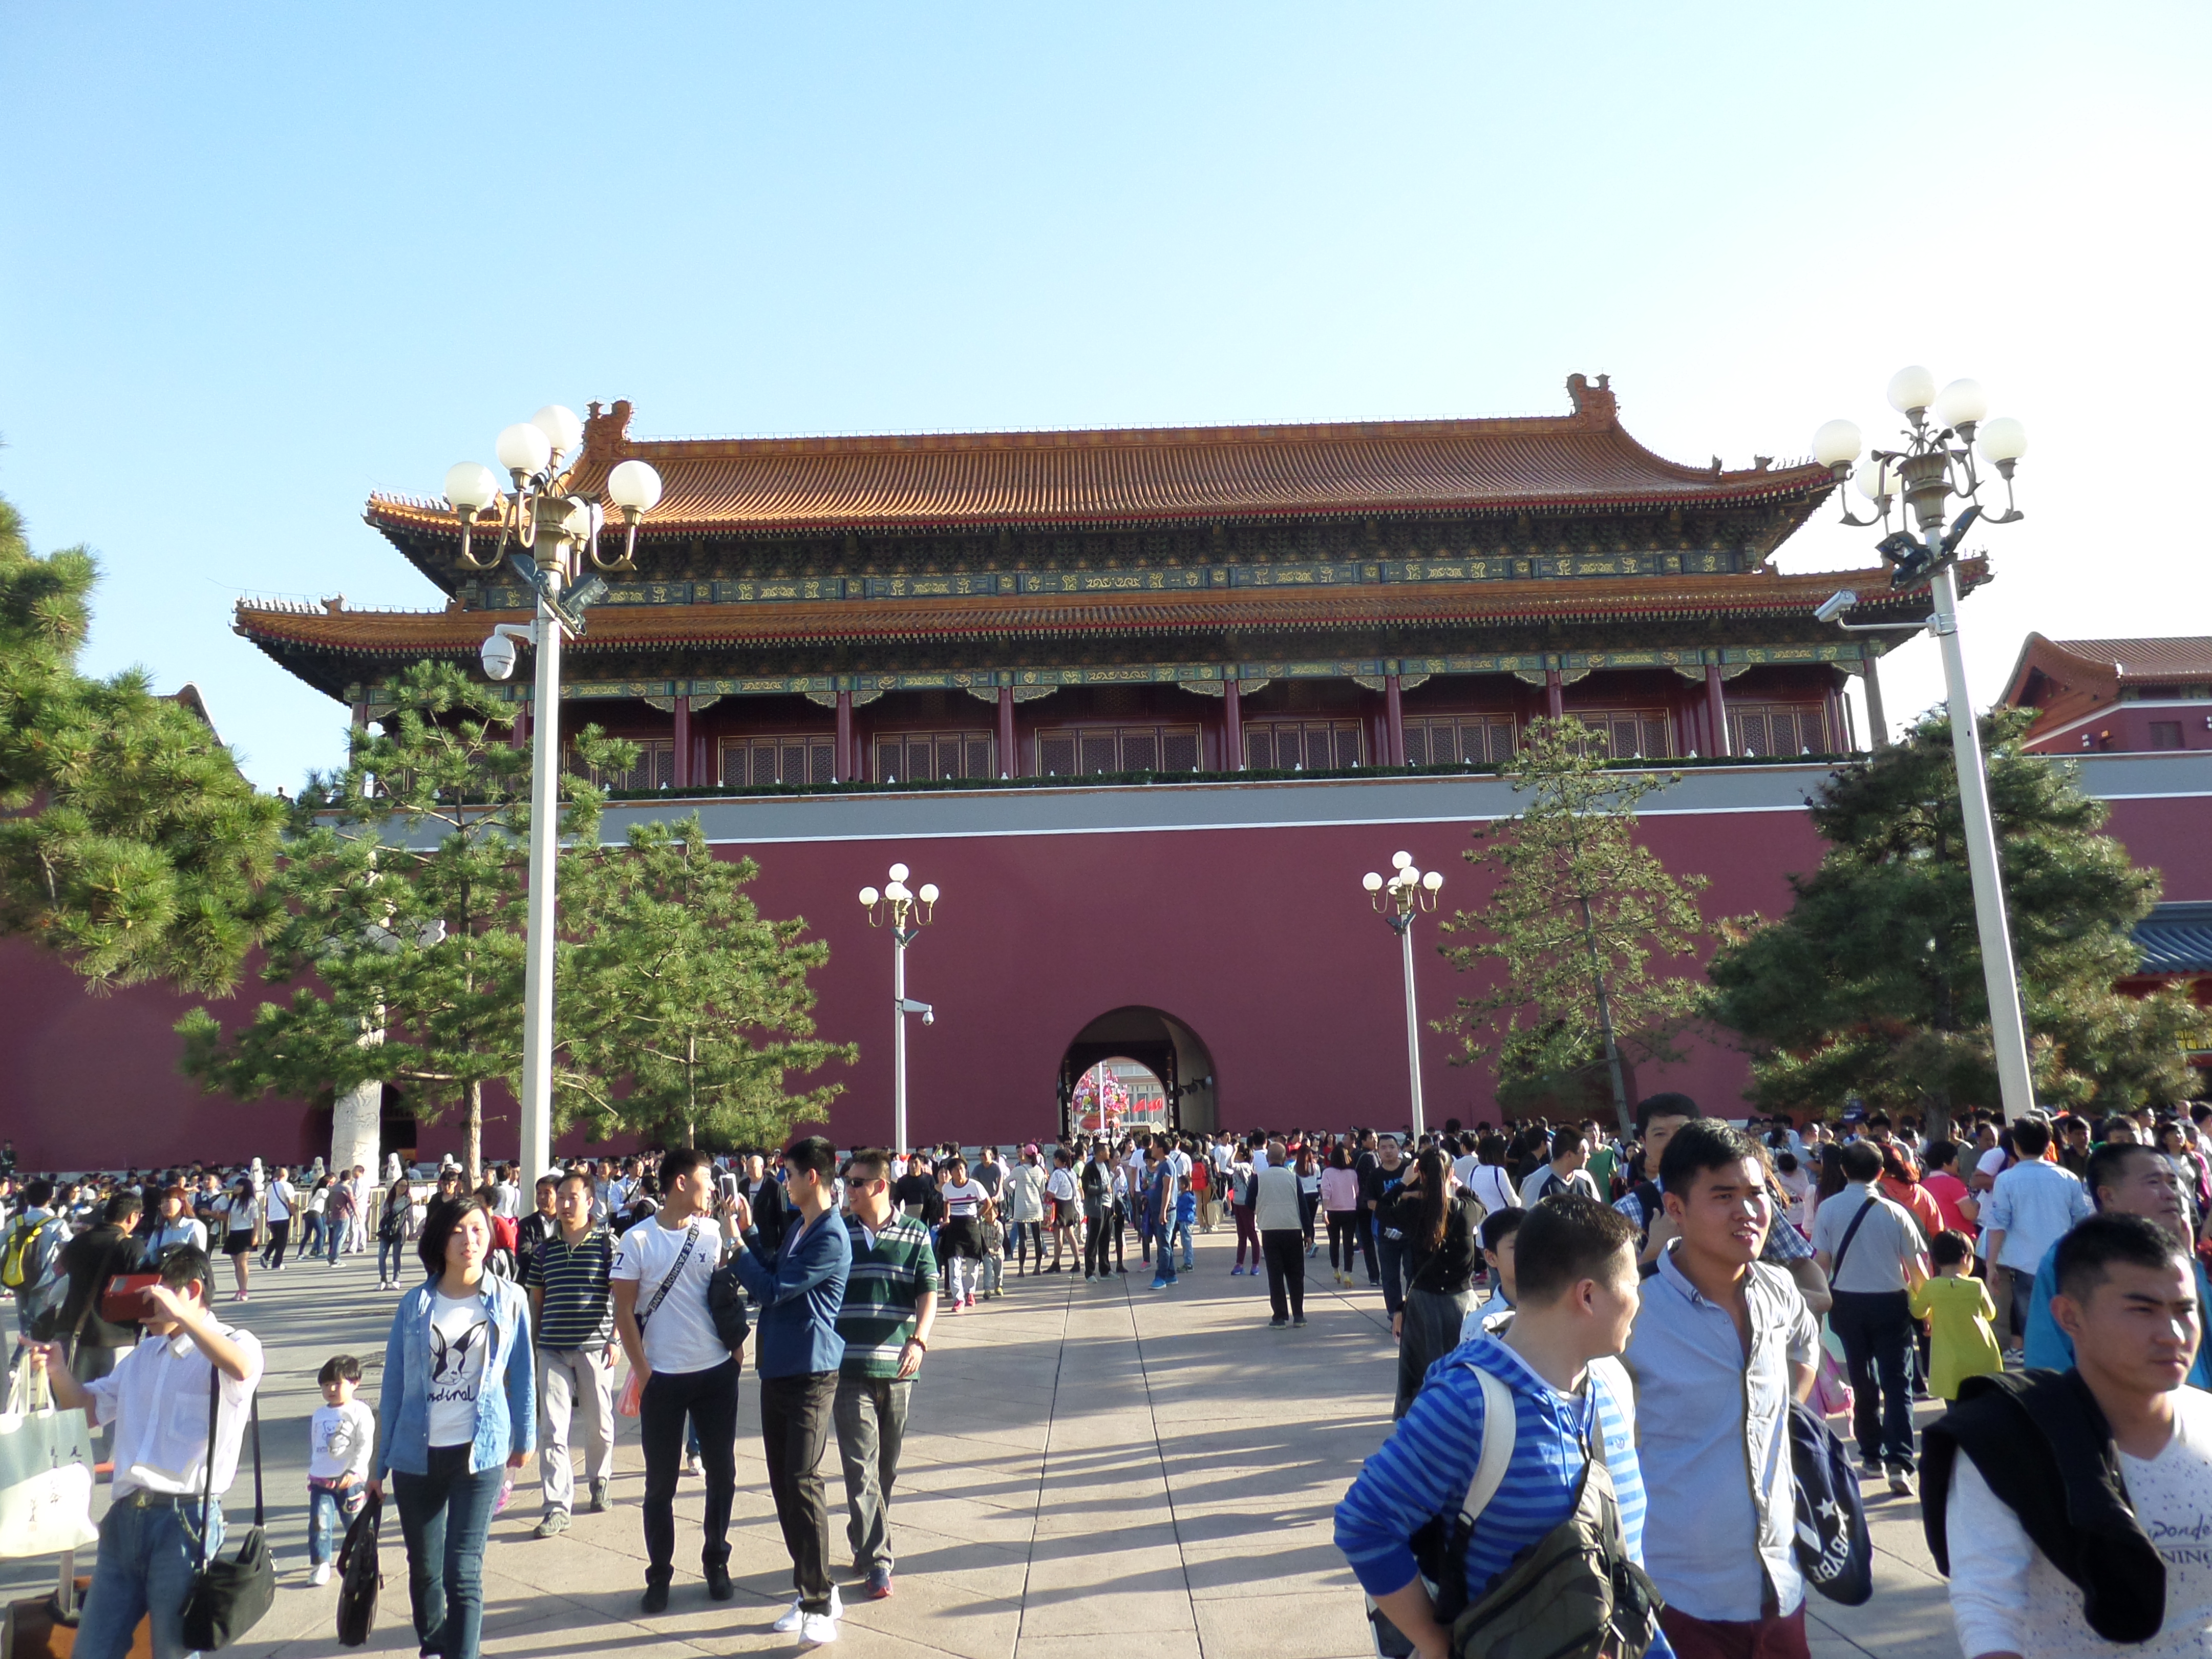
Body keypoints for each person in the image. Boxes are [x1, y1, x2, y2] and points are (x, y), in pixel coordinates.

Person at [1334, 1195, 1664, 1659]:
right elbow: (1365, 1523)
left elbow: (1624, 1559)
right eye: (1632, 1285)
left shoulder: (1610, 1383)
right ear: (1588, 1296)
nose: (1640, 1301)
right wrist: (1435, 1644)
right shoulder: (1466, 1402)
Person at [1925, 1213, 2212, 1659]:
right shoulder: (2010, 1440)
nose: (2172, 1334)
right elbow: (1987, 1606)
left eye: (2184, 1309)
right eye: (2143, 1310)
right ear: (2069, 1316)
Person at [1623, 1121, 1819, 1659]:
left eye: (1756, 1193)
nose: (1747, 1211)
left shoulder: (1778, 1288)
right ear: (1676, 1209)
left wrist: (1786, 1411)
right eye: (1723, 1196)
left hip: (1781, 1587)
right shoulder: (1635, 1315)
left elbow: (1806, 1346)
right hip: (1679, 1599)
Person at [26, 1245, 264, 1659]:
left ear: (192, 1290)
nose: (142, 1305)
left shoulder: (235, 1342)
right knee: (92, 1650)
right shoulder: (143, 1356)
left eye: (152, 1292)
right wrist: (58, 1372)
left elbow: (242, 1369)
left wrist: (184, 1317)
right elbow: (88, 1411)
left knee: (172, 1651)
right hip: (124, 1519)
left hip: (184, 1520)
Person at [369, 1195, 534, 1659]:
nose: (469, 1239)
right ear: (440, 1240)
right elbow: (394, 1385)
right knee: (425, 1570)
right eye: (458, 1230)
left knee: (463, 1572)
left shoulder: (509, 1298)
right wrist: (378, 1466)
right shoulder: (415, 1304)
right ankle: (435, 1644)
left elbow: (523, 1372)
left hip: (479, 1454)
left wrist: (525, 1436)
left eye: (478, 1229)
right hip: (416, 1456)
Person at [730, 1135, 854, 1646]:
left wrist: (735, 1248)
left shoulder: (830, 1236)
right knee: (784, 1484)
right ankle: (812, 1588)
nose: (784, 1182)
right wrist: (749, 1232)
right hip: (778, 1368)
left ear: (813, 1177)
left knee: (803, 1480)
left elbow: (773, 1290)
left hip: (811, 1372)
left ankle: (820, 1604)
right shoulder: (803, 1227)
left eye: (790, 1174)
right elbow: (775, 1270)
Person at [612, 1147, 745, 1612]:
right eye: (707, 1179)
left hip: (716, 1373)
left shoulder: (711, 1231)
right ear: (681, 1183)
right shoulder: (637, 1240)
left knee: (723, 1474)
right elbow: (623, 1311)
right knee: (660, 1485)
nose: (713, 1187)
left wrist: (735, 1350)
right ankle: (660, 1574)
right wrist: (644, 1371)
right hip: (663, 1379)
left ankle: (717, 1560)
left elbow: (727, 1289)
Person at [833, 1149, 939, 1601]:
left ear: (879, 1186)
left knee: (885, 1469)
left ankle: (863, 1537)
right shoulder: (838, 1233)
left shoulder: (915, 1233)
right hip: (847, 1368)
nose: (849, 1190)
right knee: (860, 1468)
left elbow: (928, 1291)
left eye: (857, 1183)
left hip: (898, 1367)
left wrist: (919, 1341)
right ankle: (879, 1561)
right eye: (847, 1183)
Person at [2021, 1139, 2212, 1389]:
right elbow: (2047, 1357)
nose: (2170, 1194)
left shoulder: (2182, 1255)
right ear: (2108, 1196)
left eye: (2172, 1183)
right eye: (2154, 1183)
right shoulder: (2074, 1257)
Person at [1812, 1138, 1931, 1494]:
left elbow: (1821, 1263)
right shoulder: (1895, 1212)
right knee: (1898, 1383)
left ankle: (1870, 1454)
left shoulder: (1829, 1209)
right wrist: (1927, 1310)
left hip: (1846, 1302)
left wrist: (1815, 1306)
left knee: (1862, 1380)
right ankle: (1900, 1461)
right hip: (1891, 1302)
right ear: (1881, 1172)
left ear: (1843, 1169)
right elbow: (1916, 1270)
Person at [525, 1169, 617, 1538]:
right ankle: (557, 1506)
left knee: (600, 1426)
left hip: (594, 1349)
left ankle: (599, 1478)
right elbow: (536, 1301)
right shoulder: (544, 1250)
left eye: (572, 1197)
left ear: (590, 1202)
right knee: (552, 1429)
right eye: (560, 1197)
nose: (564, 1204)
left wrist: (616, 1339)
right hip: (552, 1349)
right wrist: (532, 1347)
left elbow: (621, 1296)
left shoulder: (607, 1245)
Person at [1388, 1148, 1484, 1418]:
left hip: (1424, 1303)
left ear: (1421, 1176)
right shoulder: (1466, 1211)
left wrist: (1403, 1184)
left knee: (1423, 1370)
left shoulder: (1413, 1211)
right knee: (1464, 1369)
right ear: (1451, 1173)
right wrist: (1459, 1186)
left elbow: (1383, 1210)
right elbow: (1482, 1207)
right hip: (1461, 1302)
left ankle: (1425, 1420)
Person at [1983, 1118, 2093, 1351]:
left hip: (2024, 1267)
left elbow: (1998, 1223)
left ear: (2016, 1146)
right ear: (2048, 1143)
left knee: (2034, 1331)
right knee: (2068, 1328)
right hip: (2063, 1263)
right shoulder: (2068, 1177)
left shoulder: (2006, 1179)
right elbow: (2082, 1221)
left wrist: (1991, 1266)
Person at [55, 1192, 146, 1396]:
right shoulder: (131, 1246)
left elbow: (64, 1273)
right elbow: (142, 1288)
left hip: (74, 1330)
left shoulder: (78, 1241)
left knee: (75, 1402)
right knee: (114, 1403)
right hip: (115, 1336)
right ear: (132, 1216)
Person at [1909, 1231, 2004, 1402]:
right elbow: (1991, 1314)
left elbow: (1918, 1311)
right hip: (1982, 1357)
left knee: (1955, 1407)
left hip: (1949, 1362)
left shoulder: (1932, 1287)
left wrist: (1911, 1290)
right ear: (1965, 1258)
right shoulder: (1977, 1285)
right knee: (1983, 1405)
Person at [307, 1353, 375, 1586]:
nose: (331, 1389)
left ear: (355, 1383)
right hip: (322, 1482)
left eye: (337, 1383)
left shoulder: (360, 1411)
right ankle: (320, 1565)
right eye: (326, 1384)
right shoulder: (319, 1414)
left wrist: (355, 1472)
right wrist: (314, 1471)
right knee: (320, 1523)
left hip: (350, 1482)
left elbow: (365, 1444)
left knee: (356, 1524)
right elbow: (317, 1445)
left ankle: (364, 1560)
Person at [1254, 1137, 1307, 1329]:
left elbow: (1249, 1202)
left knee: (1275, 1275)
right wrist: (1309, 1234)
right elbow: (1303, 1207)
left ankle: (1279, 1316)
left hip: (1270, 1229)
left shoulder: (1258, 1178)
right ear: (1285, 1159)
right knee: (1296, 1274)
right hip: (1293, 1229)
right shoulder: (1293, 1178)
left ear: (1267, 1158)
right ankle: (1299, 1315)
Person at [936, 1155, 989, 1308]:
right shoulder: (947, 1188)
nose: (960, 1172)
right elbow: (946, 1202)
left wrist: (978, 1215)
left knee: (972, 1264)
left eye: (962, 1169)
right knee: (954, 1265)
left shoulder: (974, 1186)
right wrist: (947, 1218)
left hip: (971, 1226)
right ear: (951, 1173)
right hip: (954, 1228)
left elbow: (988, 1203)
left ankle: (970, 1292)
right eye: (956, 1170)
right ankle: (958, 1298)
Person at [1363, 1135, 1409, 1308]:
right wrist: (1389, 1208)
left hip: (1412, 1232)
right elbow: (1371, 1203)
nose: (1388, 1151)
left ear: (1399, 1149)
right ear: (1378, 1151)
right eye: (1383, 1148)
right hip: (1387, 1234)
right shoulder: (1375, 1176)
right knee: (1390, 1277)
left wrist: (1399, 1197)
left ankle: (1413, 1310)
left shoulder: (1409, 1170)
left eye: (1391, 1147)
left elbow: (1422, 1195)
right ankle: (1394, 1312)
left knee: (1413, 1274)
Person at [1519, 1127, 1600, 1208]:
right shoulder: (1537, 1182)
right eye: (1584, 1152)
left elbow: (1598, 1212)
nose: (1589, 1156)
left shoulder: (1586, 1179)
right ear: (1569, 1155)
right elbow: (1526, 1214)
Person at [1320, 1143, 1365, 1287]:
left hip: (1333, 1211)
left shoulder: (1327, 1172)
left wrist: (1324, 1211)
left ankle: (1336, 1270)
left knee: (1334, 1242)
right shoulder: (1353, 1173)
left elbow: (1326, 1192)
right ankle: (1348, 1274)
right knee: (1348, 1243)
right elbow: (1357, 1192)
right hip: (1350, 1210)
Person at [1006, 1146, 1047, 1275]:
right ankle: (1038, 1267)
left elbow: (1006, 1183)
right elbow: (1042, 1190)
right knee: (1037, 1238)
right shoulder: (1040, 1171)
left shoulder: (1018, 1170)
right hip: (1036, 1208)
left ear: (1026, 1155)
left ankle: (1021, 1269)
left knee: (1023, 1238)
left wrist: (1013, 1192)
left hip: (1021, 1208)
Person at [219, 1175, 259, 1301]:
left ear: (245, 1188)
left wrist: (255, 1235)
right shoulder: (232, 1201)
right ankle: (240, 1288)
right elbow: (226, 1217)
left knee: (242, 1263)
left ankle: (244, 1290)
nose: (236, 1188)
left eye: (239, 1186)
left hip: (246, 1233)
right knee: (236, 1264)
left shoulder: (251, 1201)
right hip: (234, 1233)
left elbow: (256, 1220)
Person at [377, 1175, 417, 1291]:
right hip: (386, 1231)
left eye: (405, 1186)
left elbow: (410, 1217)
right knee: (381, 1256)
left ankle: (396, 1279)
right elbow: (382, 1214)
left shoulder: (407, 1201)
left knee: (396, 1256)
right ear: (396, 1186)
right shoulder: (388, 1199)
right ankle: (383, 1280)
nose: (403, 1188)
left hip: (399, 1231)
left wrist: (412, 1231)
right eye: (401, 1185)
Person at [260, 1165, 296, 1270]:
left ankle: (266, 1256)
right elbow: (290, 1203)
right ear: (285, 1175)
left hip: (272, 1217)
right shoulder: (288, 1186)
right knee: (282, 1242)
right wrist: (295, 1216)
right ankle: (276, 1263)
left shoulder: (270, 1187)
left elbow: (267, 1204)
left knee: (276, 1239)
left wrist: (267, 1217)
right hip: (283, 1216)